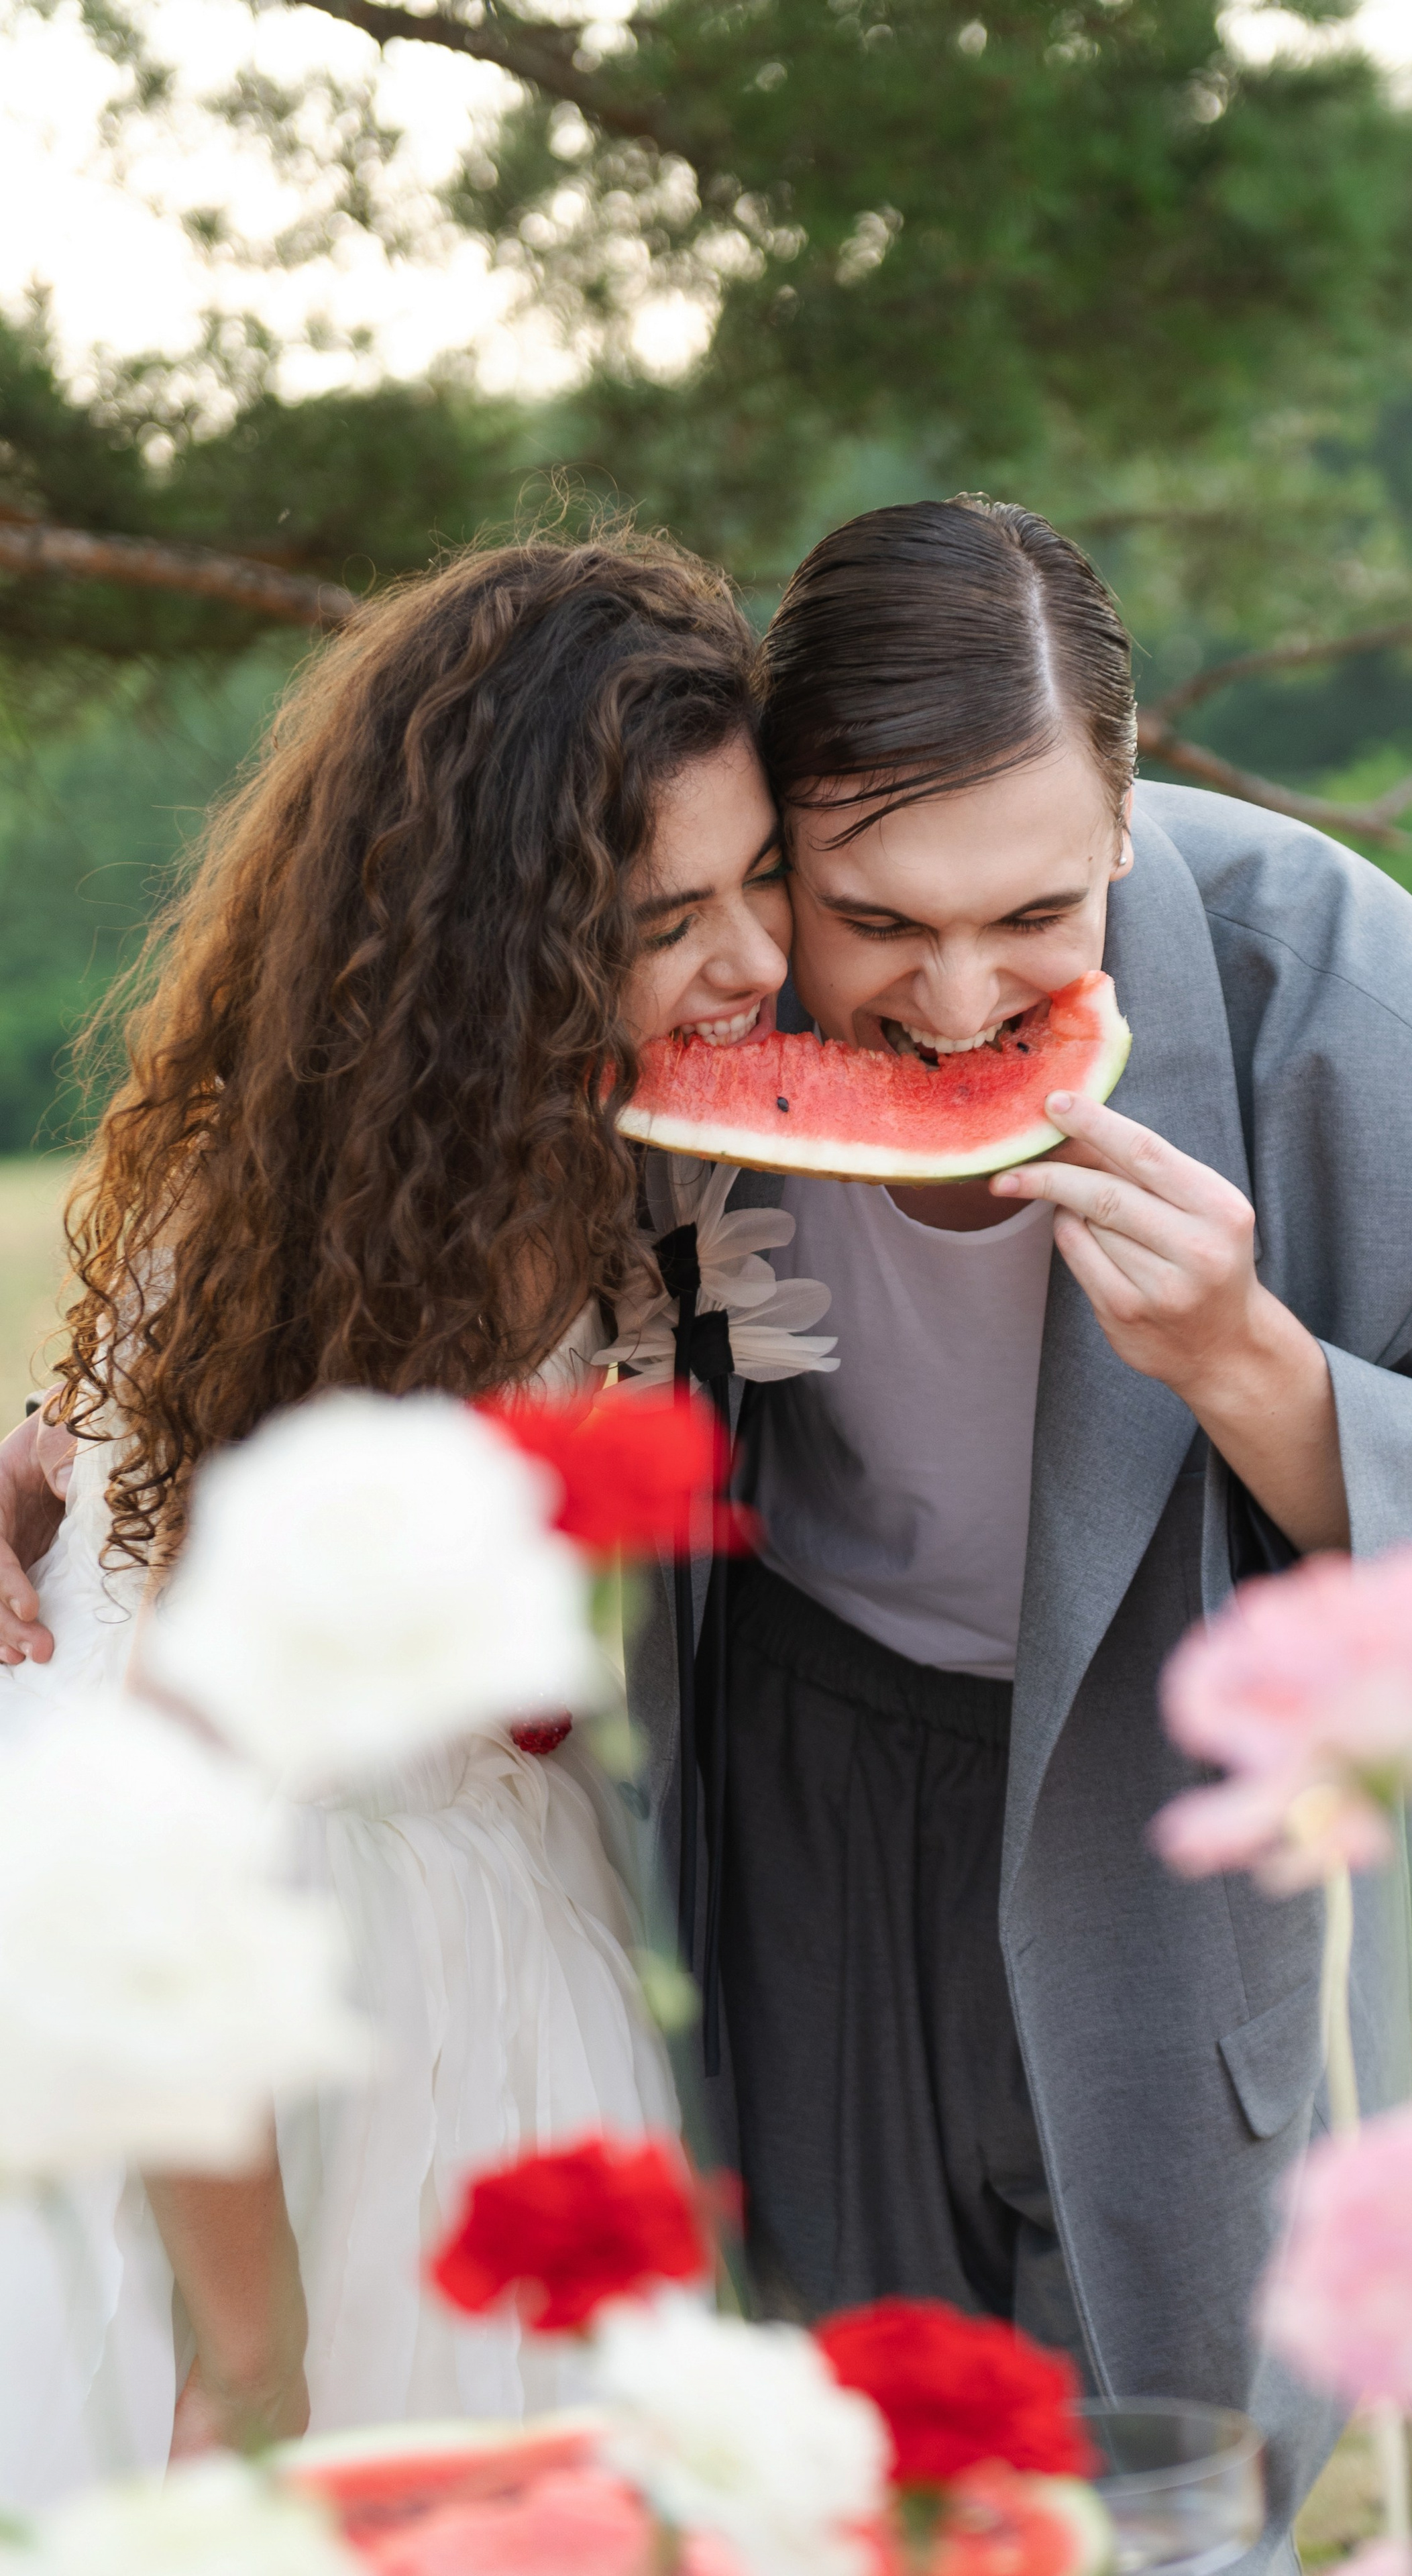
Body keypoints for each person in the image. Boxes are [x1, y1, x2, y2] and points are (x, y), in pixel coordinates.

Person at [620, 498, 1412, 2571]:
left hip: (1183, 1818)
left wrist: (1249, 1362)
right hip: (810, 1775)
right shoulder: (683, 975)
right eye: (872, 919)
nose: (957, 1004)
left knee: (1168, 2505)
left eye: (1037, 915)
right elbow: (344, 1184)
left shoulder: (1354, 1011)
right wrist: (63, 1447)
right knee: (850, 2488)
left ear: (1129, 804)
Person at [0, 531, 794, 2504]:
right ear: (499, 945)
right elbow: (165, 1855)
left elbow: (101, 1434)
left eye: (764, 875)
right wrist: (247, 2359)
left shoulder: (516, 1137)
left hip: (487, 1899)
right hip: (261, 2021)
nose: (756, 963)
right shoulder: (356, 1246)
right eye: (666, 919)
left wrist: (41, 1452)